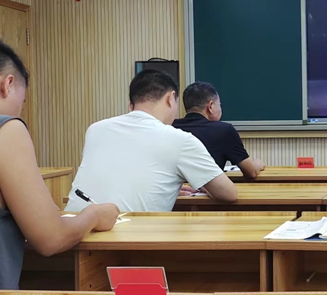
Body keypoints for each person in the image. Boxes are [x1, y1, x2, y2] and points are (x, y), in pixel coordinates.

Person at [0, 36, 119, 289]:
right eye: (22, 101)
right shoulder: (5, 129)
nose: (19, 111)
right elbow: (51, 238)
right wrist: (94, 215)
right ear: (7, 84)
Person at [65, 70, 237, 213]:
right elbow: (229, 194)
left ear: (131, 105)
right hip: (127, 237)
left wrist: (165, 187)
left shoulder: (96, 129)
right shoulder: (180, 140)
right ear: (171, 98)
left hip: (72, 227)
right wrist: (200, 181)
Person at [173, 82, 265, 179]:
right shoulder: (224, 131)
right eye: (219, 105)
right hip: (209, 188)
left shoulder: (171, 128)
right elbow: (251, 173)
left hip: (176, 188)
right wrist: (257, 164)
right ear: (210, 106)